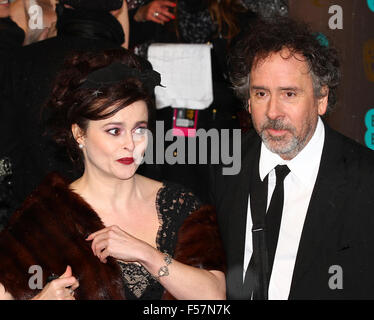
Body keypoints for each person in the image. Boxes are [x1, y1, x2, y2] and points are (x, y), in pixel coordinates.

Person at [0, 48, 226, 300]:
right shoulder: (45, 217)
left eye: (139, 129)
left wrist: (147, 254)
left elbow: (214, 297)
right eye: (114, 131)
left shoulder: (178, 203)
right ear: (79, 134)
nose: (130, 143)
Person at [209, 17, 374, 299]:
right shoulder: (223, 162)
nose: (273, 112)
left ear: (321, 98)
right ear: (247, 100)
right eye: (261, 93)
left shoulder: (365, 181)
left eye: (289, 94)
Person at [0, 0, 129, 225]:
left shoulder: (21, 60)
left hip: (31, 215)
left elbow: (9, 144)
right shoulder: (134, 68)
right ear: (117, 8)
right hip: (106, 219)